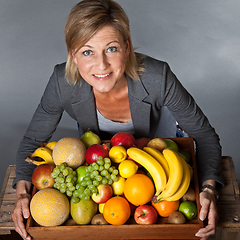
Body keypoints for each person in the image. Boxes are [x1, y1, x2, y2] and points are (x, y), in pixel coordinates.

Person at [11, 0, 224, 239]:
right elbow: (32, 140)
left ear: (126, 48)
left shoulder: (157, 76)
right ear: (74, 55)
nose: (101, 65)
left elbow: (205, 135)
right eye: (87, 51)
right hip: (103, 165)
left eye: (111, 48)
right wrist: (22, 194)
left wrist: (208, 189)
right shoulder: (63, 82)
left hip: (160, 154)